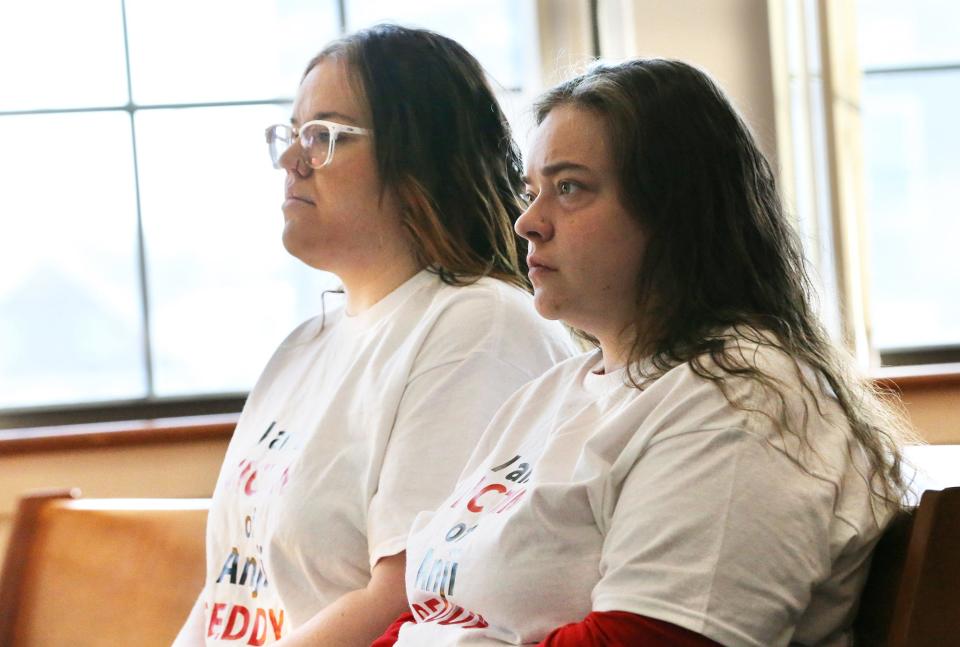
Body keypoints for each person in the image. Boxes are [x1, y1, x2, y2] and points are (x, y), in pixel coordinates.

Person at [373, 59, 913, 647]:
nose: (528, 222)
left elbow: (652, 639)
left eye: (569, 188)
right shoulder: (551, 395)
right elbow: (437, 612)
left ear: (674, 211)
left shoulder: (743, 400)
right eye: (532, 192)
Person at [173, 25, 575, 647]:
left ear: (422, 157)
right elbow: (233, 593)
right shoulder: (304, 346)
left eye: (326, 135)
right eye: (293, 133)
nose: (292, 159)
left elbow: (409, 597)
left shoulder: (478, 326)